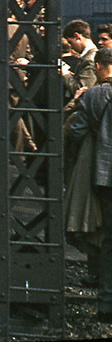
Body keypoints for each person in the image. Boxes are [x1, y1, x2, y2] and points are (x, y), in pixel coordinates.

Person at [67, 47, 112, 321]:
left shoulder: (95, 95)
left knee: (109, 241)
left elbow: (75, 130)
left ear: (98, 67)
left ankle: (107, 305)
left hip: (106, 177)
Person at [63, 19, 99, 107]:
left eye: (71, 42)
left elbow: (81, 90)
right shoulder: (88, 57)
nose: (71, 47)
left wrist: (65, 74)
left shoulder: (90, 59)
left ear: (77, 36)